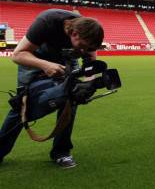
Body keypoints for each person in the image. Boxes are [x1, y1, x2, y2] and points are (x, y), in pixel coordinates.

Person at [0, 9, 104, 168]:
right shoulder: (47, 22)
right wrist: (45, 65)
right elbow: (18, 55)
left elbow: (90, 64)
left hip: (65, 59)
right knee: (22, 105)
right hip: (34, 58)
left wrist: (88, 83)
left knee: (71, 99)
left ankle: (61, 152)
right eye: (82, 46)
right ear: (74, 33)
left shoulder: (88, 34)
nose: (83, 51)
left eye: (87, 48)